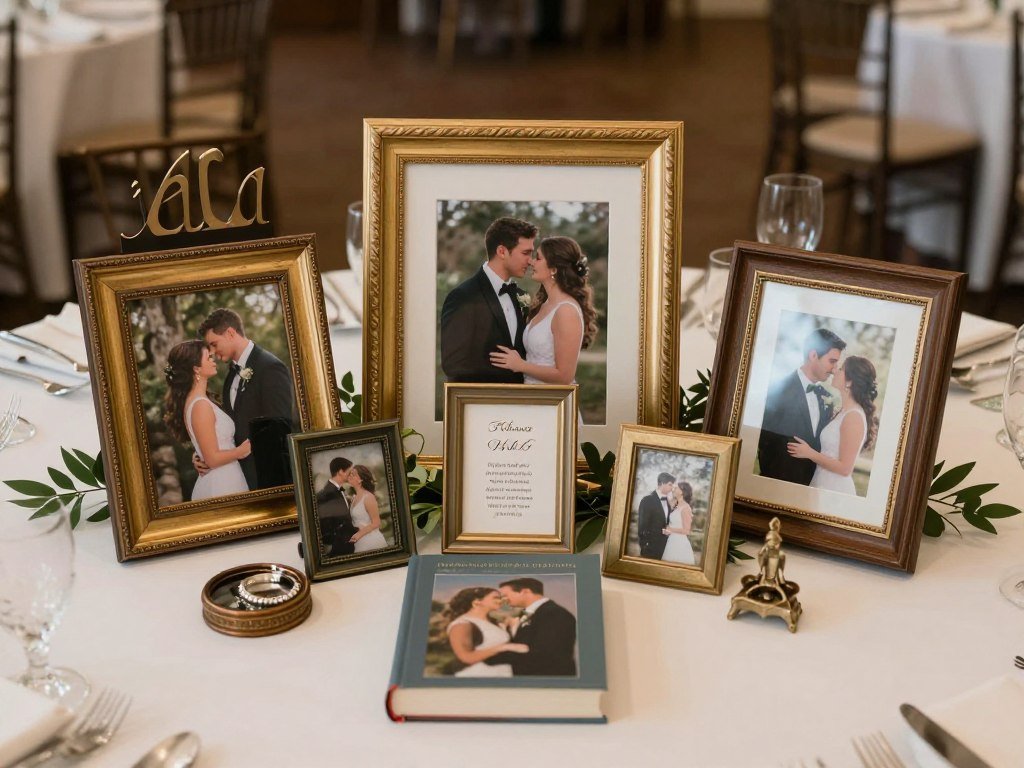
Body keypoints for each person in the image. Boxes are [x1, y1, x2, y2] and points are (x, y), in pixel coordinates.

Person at [489, 236, 599, 422]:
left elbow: (565, 376)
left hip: (554, 408)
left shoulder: (565, 311)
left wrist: (519, 365)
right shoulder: (546, 303)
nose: (531, 261)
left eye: (538, 257)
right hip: (533, 402)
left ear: (554, 269)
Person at [197, 308, 296, 490]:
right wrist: (202, 454)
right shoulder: (230, 376)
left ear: (230, 333)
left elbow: (279, 430)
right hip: (240, 477)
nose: (212, 352)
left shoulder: (271, 368)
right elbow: (229, 427)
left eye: (214, 344)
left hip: (267, 480)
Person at [440, 217, 537, 383]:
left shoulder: (520, 295)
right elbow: (453, 364)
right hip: (480, 403)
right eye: (525, 253)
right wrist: (509, 369)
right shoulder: (463, 296)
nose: (530, 260)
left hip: (520, 403)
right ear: (502, 252)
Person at [162, 340, 249, 500]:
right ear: (196, 368)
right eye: (208, 357)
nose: (213, 359)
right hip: (221, 483)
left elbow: (209, 445)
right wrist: (241, 451)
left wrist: (198, 454)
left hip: (226, 477)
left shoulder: (200, 400)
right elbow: (212, 459)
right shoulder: (200, 405)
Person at [758, 328, 847, 486]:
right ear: (813, 355)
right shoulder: (778, 391)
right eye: (832, 361)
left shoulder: (824, 396)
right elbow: (762, 442)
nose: (834, 369)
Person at [786, 356, 878, 495]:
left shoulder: (854, 416)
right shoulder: (842, 411)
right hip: (821, 481)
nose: (835, 371)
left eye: (841, 369)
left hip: (834, 490)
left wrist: (809, 453)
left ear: (849, 382)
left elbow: (845, 468)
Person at [485, 577, 577, 676]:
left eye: (505, 595)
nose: (503, 601)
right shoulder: (527, 614)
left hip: (548, 680)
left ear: (525, 592)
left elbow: (545, 654)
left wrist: (488, 656)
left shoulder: (554, 613)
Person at [443, 587, 528, 677]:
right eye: (496, 597)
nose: (501, 601)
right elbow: (466, 657)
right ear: (477, 602)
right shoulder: (461, 624)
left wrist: (513, 627)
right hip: (476, 676)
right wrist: (503, 647)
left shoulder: (493, 622)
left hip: (502, 674)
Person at [315, 456, 358, 556]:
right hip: (340, 548)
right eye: (350, 471)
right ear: (341, 472)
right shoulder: (327, 494)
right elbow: (327, 525)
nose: (351, 474)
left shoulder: (339, 490)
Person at [346, 465, 389, 553]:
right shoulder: (354, 497)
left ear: (360, 479)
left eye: (353, 474)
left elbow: (376, 523)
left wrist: (358, 535)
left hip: (370, 541)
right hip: (358, 541)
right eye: (350, 473)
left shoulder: (368, 497)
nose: (350, 476)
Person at [637, 472, 675, 560]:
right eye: (670, 484)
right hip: (650, 548)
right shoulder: (647, 500)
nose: (672, 488)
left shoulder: (669, 502)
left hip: (665, 548)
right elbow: (642, 526)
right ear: (661, 483)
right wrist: (645, 545)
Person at [662, 480, 696, 565]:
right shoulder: (676, 505)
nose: (673, 489)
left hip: (679, 544)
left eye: (676, 488)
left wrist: (670, 529)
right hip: (671, 541)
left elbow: (686, 530)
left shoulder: (686, 508)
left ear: (682, 492)